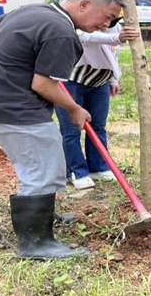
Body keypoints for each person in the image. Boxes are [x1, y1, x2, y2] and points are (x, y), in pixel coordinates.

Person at [0, 0, 125, 259]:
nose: (107, 25)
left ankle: (43, 215)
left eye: (112, 21)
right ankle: (35, 243)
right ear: (84, 4)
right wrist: (75, 108)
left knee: (38, 165)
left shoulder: (37, 11)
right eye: (108, 16)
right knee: (43, 169)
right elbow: (43, 83)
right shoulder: (61, 32)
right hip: (14, 108)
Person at [56, 17, 140, 190]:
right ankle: (76, 172)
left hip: (99, 83)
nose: (109, 20)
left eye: (114, 16)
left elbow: (113, 54)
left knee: (98, 126)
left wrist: (113, 80)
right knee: (71, 129)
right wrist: (117, 38)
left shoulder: (115, 28)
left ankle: (98, 167)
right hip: (71, 82)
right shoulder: (80, 25)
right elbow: (85, 37)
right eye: (107, 15)